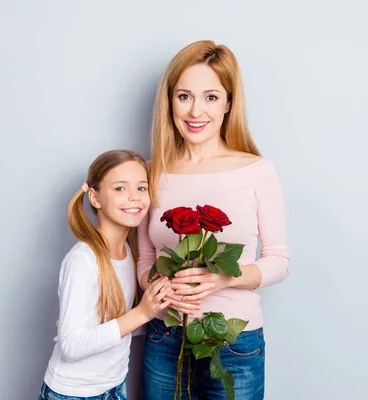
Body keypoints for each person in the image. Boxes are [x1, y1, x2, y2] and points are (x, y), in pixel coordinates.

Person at [137, 40, 290, 399]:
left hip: (234, 344)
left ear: (228, 104)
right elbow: (144, 261)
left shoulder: (257, 171)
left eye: (210, 97)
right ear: (170, 101)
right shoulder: (151, 172)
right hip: (163, 338)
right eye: (184, 96)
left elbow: (279, 261)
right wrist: (159, 285)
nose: (195, 111)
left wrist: (222, 278)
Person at [40, 149, 173, 400]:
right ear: (95, 198)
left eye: (141, 188)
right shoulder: (83, 260)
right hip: (74, 394)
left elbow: (115, 326)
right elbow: (72, 345)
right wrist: (143, 312)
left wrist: (160, 307)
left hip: (113, 388)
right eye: (120, 188)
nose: (134, 197)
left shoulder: (126, 252)